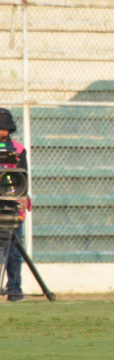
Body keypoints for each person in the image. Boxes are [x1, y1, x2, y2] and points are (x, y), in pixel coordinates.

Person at [0, 108, 29, 302]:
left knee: (14, 250)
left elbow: (23, 177)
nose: (3, 132)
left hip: (12, 203)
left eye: (5, 128)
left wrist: (22, 196)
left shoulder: (18, 149)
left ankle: (14, 289)